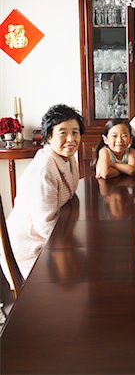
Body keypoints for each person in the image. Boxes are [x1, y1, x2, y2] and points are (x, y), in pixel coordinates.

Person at [1, 104, 85, 282]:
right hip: (29, 249)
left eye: (75, 132)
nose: (71, 139)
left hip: (50, 240)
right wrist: (76, 241)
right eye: (63, 133)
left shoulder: (67, 159)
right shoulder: (44, 169)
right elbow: (44, 225)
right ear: (48, 136)